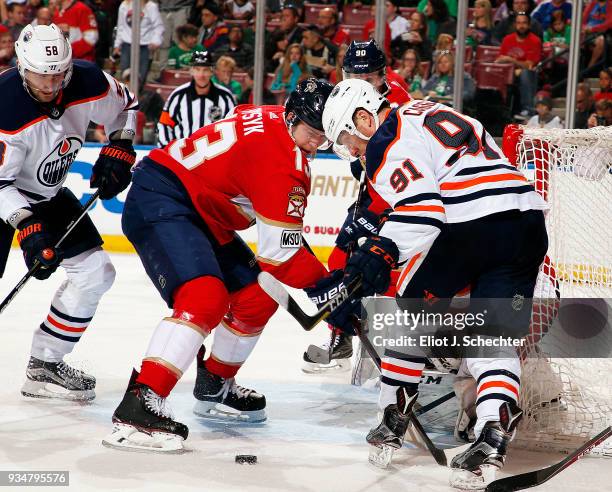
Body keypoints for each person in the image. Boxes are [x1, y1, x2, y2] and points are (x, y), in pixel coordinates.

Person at [320, 78, 548, 489]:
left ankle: (392, 417)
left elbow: (424, 213)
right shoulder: (424, 110)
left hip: (471, 225)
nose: (350, 150)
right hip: (527, 221)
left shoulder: (384, 141)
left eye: (346, 139)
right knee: (490, 339)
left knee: (410, 313)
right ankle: (492, 437)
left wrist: (378, 255)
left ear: (363, 116)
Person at [102, 78, 334, 453]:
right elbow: (281, 256)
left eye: (325, 135)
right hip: (163, 198)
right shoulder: (285, 165)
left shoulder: (271, 116)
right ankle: (139, 406)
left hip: (203, 211)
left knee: (258, 298)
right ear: (292, 118)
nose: (317, 143)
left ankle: (215, 383)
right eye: (312, 132)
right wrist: (332, 290)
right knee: (204, 298)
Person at [0, 23, 138, 400]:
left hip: (47, 193)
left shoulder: (88, 80)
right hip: (5, 191)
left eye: (58, 75)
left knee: (96, 272)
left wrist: (121, 147)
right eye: (40, 76)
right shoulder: (4, 104)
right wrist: (26, 226)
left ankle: (44, 364)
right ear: (22, 65)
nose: (49, 85)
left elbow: (125, 108)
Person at [302, 40, 410, 374]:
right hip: (371, 191)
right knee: (338, 258)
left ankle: (408, 339)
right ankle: (341, 335)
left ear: (383, 73)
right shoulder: (346, 98)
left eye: (369, 75)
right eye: (353, 73)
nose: (361, 80)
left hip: (400, 195)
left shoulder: (399, 103)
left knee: (391, 266)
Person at [157, 50, 235, 148]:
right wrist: (167, 150)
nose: (201, 75)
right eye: (197, 69)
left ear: (212, 71)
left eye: (205, 70)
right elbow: (164, 124)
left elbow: (233, 128)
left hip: (214, 157)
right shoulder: (178, 96)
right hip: (183, 157)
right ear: (191, 71)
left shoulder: (225, 97)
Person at [496, 13, 542, 118]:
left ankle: (528, 111)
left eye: (524, 23)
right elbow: (499, 59)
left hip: (529, 74)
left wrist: (511, 60)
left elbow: (529, 65)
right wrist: (512, 65)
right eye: (519, 23)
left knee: (525, 73)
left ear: (529, 25)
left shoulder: (535, 40)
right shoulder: (507, 39)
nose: (521, 26)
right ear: (515, 25)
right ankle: (496, 110)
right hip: (508, 72)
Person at [113, 0, 164, 87]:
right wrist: (117, 45)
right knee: (125, 76)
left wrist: (155, 41)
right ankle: (127, 98)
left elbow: (159, 26)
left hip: (144, 47)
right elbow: (120, 26)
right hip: (127, 45)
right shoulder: (124, 5)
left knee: (141, 78)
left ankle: (138, 98)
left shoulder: (151, 6)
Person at [582, 0, 612, 68]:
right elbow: (582, 19)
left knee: (601, 42)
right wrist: (584, 28)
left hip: (601, 32)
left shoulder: (610, 4)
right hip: (586, 31)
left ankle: (590, 67)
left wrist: (593, 29)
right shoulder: (593, 3)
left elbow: (609, 24)